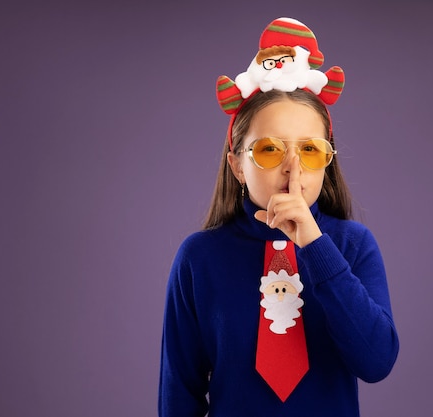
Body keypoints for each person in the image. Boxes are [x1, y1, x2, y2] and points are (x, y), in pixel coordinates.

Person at [159, 17, 399, 417]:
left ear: (327, 162)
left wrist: (315, 244)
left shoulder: (353, 246)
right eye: (270, 150)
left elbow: (376, 361)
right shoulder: (198, 259)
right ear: (237, 165)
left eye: (310, 151)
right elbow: (178, 393)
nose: (293, 168)